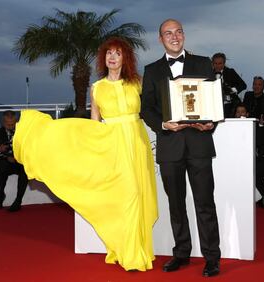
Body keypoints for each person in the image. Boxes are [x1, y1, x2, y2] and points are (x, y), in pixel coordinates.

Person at [13, 37, 158, 271]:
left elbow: (152, 108)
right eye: (108, 53)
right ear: (104, 58)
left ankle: (139, 248)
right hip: (111, 144)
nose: (112, 57)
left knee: (139, 196)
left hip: (137, 142)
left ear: (125, 58)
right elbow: (94, 122)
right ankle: (131, 254)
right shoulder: (97, 87)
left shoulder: (137, 83)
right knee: (128, 196)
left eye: (118, 53)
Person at [141, 19, 220, 277]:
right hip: (170, 147)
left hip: (199, 145)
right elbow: (147, 109)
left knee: (205, 204)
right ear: (160, 39)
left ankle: (212, 258)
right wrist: (163, 124)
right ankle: (181, 253)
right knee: (176, 205)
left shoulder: (203, 63)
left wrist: (211, 122)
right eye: (168, 33)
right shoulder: (152, 70)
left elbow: (213, 102)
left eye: (178, 32)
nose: (174, 37)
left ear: (184, 35)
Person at [0, 110, 28, 212]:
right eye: (8, 124)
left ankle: (18, 201)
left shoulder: (23, 133)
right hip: (5, 164)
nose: (10, 126)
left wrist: (18, 157)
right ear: (3, 122)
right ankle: (1, 194)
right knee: (1, 166)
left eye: (12, 124)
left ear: (16, 122)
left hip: (20, 163)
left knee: (25, 171)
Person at [212, 52, 246, 118]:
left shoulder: (230, 72)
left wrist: (231, 90)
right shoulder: (209, 74)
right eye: (215, 63)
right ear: (213, 63)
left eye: (220, 63)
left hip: (230, 106)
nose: (218, 66)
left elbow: (243, 85)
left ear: (224, 63)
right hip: (214, 106)